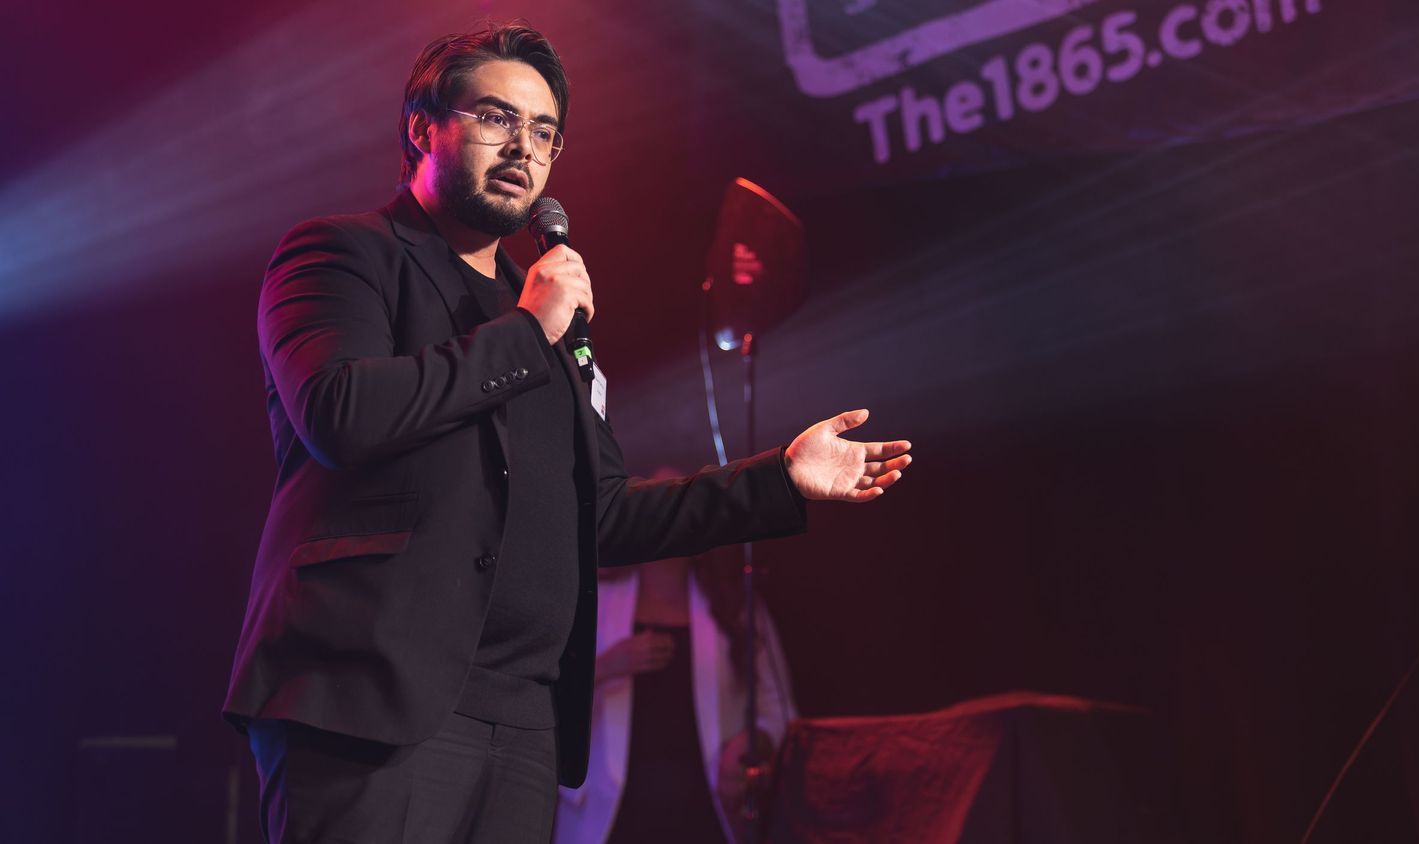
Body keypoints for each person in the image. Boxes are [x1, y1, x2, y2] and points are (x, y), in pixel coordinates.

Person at [221, 20, 911, 844]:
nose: (523, 147)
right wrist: (529, 328)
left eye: (543, 131)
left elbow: (603, 514)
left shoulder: (545, 323)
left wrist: (779, 480)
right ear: (421, 127)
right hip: (373, 699)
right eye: (495, 118)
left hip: (524, 722)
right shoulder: (344, 256)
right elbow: (342, 414)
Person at [553, 530, 797, 843]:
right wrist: (608, 666)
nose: (667, 527)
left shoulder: (733, 606)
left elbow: (779, 708)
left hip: (706, 810)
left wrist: (749, 744)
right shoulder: (592, 600)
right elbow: (546, 698)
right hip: (608, 812)